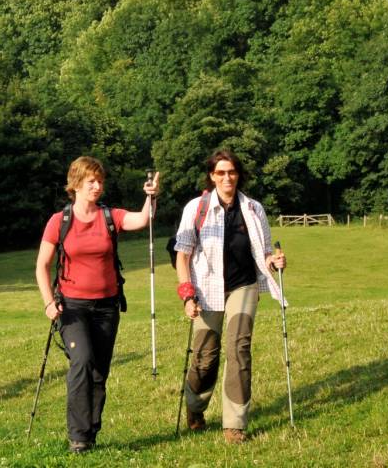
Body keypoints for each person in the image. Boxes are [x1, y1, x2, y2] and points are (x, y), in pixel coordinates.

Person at [35, 156, 159, 453]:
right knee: (82, 362)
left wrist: (150, 197)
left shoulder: (109, 216)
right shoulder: (59, 221)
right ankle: (77, 437)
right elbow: (42, 265)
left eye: (100, 181)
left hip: (106, 307)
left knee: (99, 371)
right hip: (72, 307)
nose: (97, 186)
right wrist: (48, 303)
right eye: (91, 180)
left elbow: (142, 220)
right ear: (75, 183)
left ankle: (90, 433)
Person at [172, 149, 287, 443]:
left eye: (232, 172)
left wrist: (275, 261)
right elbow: (182, 257)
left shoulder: (253, 209)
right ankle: (195, 407)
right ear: (212, 176)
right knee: (205, 357)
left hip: (244, 286)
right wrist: (187, 296)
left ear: (238, 175)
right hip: (206, 290)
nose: (227, 177)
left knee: (239, 349)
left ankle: (234, 425)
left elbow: (262, 253)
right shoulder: (195, 209)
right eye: (220, 172)